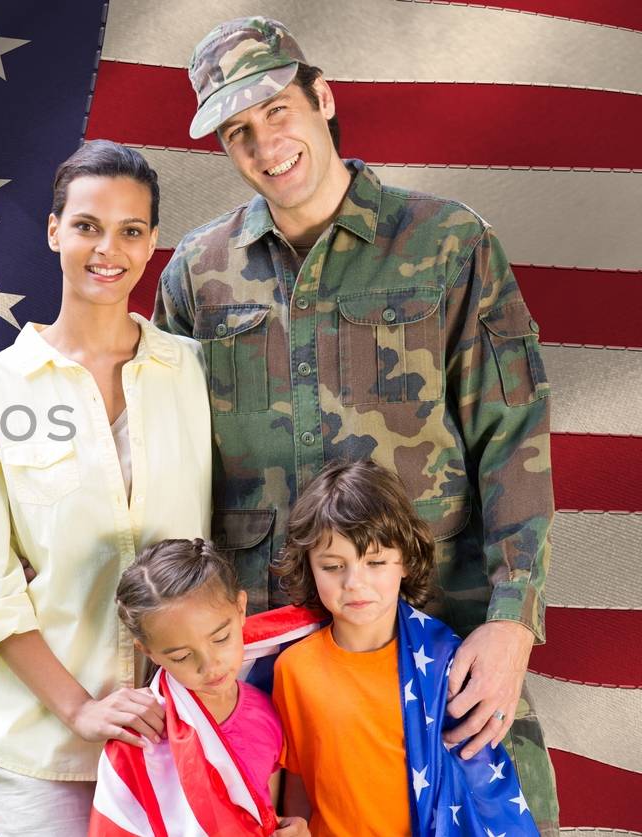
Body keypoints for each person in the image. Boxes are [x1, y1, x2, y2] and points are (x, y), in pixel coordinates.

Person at [153, 16, 557, 832]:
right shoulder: (200, 275)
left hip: (433, 628)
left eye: (278, 113)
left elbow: (512, 436)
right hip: (266, 649)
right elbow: (167, 473)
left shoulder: (447, 244)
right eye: (239, 132)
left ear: (322, 98)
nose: (267, 146)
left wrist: (513, 618)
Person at [0, 139, 210, 835]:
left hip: (180, 736)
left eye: (130, 230)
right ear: (54, 231)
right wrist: (81, 707)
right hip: (40, 746)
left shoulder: (196, 372)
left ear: (152, 244)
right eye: (87, 225)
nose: (107, 249)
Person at [271, 459, 537, 835]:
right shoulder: (293, 668)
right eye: (333, 566)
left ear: (406, 562)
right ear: (309, 567)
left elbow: (476, 780)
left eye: (376, 562)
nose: (354, 583)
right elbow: (297, 775)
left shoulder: (450, 666)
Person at [116, 538, 308, 837]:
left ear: (241, 608)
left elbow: (262, 813)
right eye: (181, 656)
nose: (210, 666)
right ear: (147, 651)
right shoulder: (143, 734)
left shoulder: (265, 711)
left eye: (220, 639)